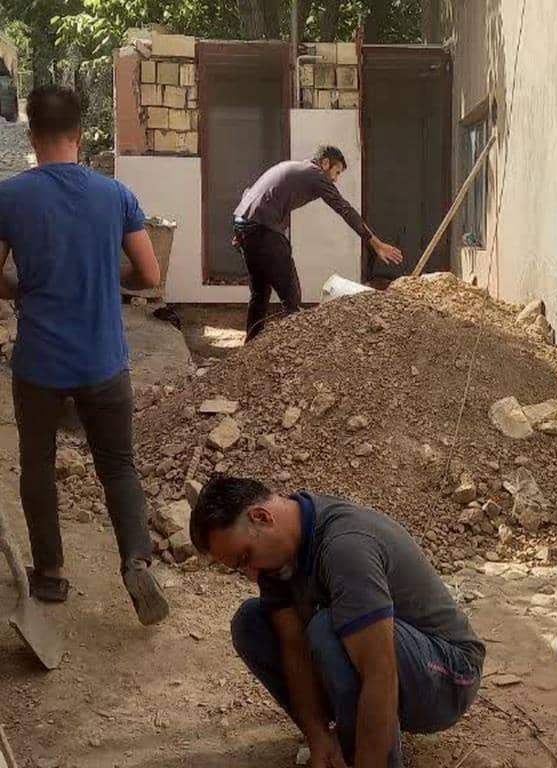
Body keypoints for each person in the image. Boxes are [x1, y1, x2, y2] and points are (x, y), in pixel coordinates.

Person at [0, 85, 169, 624]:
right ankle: (136, 560)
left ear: (32, 135)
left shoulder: (11, 197)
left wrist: (22, 289)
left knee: (38, 465)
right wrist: (102, 279)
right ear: (80, 134)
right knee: (118, 466)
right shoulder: (114, 195)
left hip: (39, 364)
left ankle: (49, 575)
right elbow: (149, 276)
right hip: (103, 360)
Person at [190, 476, 484, 768]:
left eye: (246, 557)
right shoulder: (277, 558)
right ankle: (339, 743)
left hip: (449, 677)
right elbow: (294, 648)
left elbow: (379, 671)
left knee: (328, 626)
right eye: (240, 567)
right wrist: (317, 735)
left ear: (261, 517)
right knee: (250, 622)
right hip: (390, 664)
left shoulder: (344, 546)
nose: (251, 574)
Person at [233, 146, 404, 341]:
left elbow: (252, 192)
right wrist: (376, 243)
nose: (335, 179)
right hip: (262, 229)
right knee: (291, 295)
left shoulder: (293, 168)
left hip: (244, 223)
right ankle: (296, 350)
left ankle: (251, 345)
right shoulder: (315, 174)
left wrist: (242, 231)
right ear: (325, 163)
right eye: (336, 172)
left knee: (260, 291)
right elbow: (344, 208)